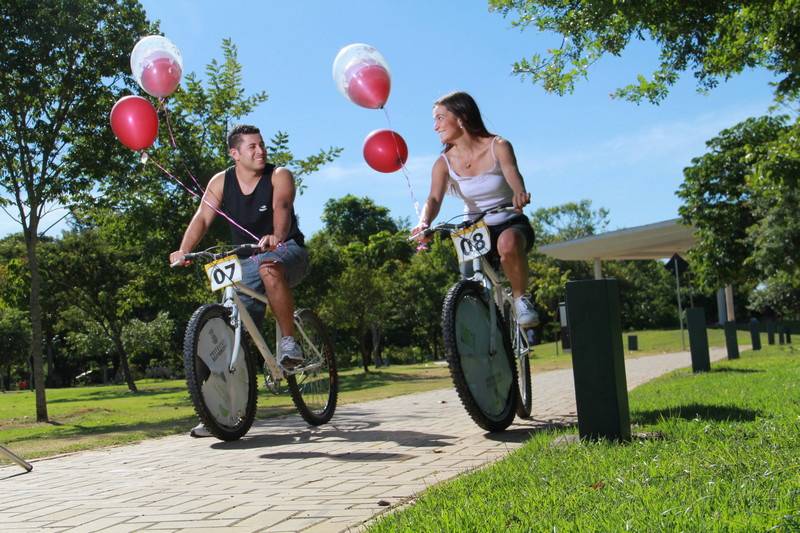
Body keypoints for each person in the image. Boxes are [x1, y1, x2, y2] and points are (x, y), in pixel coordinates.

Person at [169, 124, 309, 437]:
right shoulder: (220, 182)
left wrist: (277, 236)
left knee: (269, 267)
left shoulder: (279, 175)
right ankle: (218, 415)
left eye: (262, 145)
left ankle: (289, 342)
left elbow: (282, 207)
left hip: (287, 252)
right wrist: (184, 250)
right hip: (246, 261)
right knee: (228, 335)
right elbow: (203, 217)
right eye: (252, 147)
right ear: (235, 154)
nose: (261, 151)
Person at [412, 91, 539, 326]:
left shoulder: (498, 146)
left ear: (460, 117)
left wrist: (519, 193)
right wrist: (424, 223)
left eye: (440, 118)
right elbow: (434, 198)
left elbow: (513, 175)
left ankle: (521, 299)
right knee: (470, 279)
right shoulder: (443, 163)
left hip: (508, 221)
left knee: (507, 244)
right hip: (474, 228)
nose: (435, 127)